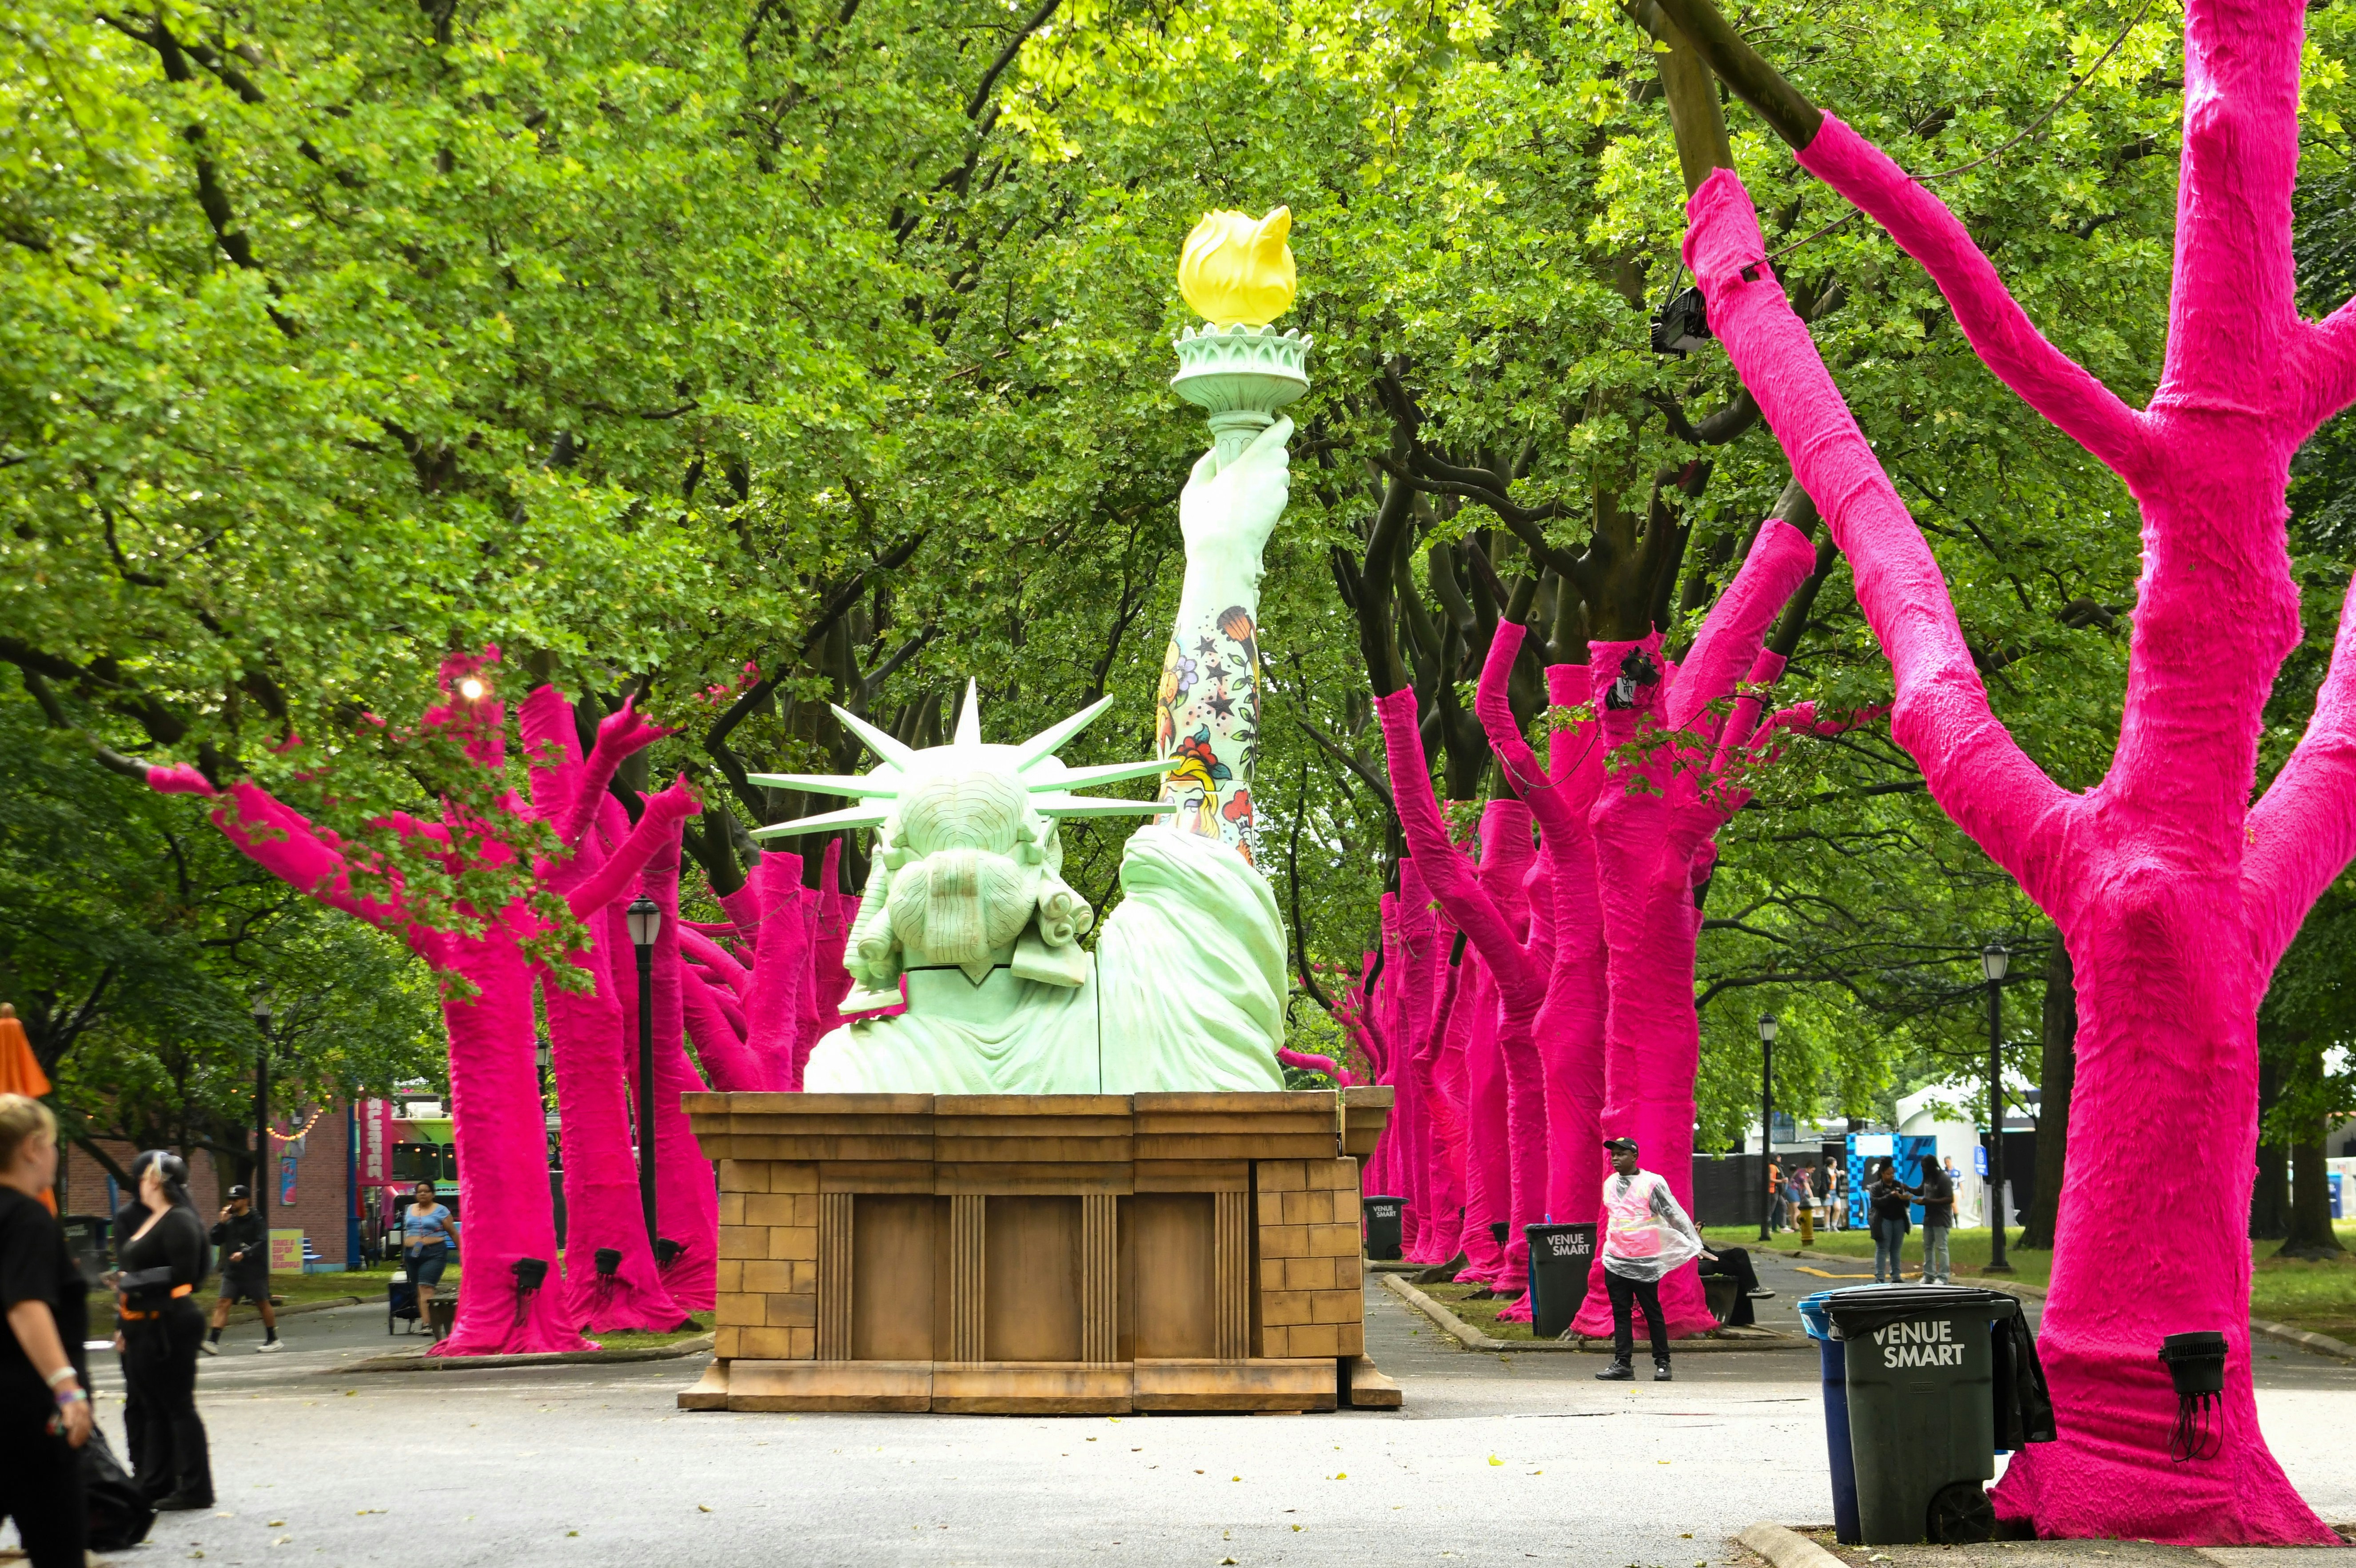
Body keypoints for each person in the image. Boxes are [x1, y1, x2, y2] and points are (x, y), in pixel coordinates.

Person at [0, 1095, 92, 1568]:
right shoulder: (27, 1217)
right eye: (54, 1143)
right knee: (57, 1546)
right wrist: (67, 1388)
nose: (56, 1153)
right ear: (33, 1147)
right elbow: (26, 1303)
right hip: (26, 1415)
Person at [109, 1150, 212, 1509]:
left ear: (155, 1181)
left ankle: (197, 1487)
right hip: (145, 1320)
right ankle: (156, 1482)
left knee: (178, 1405)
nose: (139, 1183)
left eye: (143, 1177)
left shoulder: (180, 1219)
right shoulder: (153, 1218)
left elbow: (187, 1273)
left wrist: (132, 1280)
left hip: (172, 1321)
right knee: (153, 1407)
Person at [1593, 1137, 1708, 1382]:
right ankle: (1623, 1364)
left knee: (1652, 1311)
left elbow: (1673, 1214)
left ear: (1635, 1156)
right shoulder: (1610, 1183)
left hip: (1645, 1260)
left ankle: (1663, 1362)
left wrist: (1694, 1244)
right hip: (1616, 1258)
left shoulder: (1652, 1183)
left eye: (1622, 1154)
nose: (1615, 1158)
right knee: (1620, 1313)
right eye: (1613, 1154)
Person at [205, 1185, 279, 1355]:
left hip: (253, 1270)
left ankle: (273, 1338)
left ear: (246, 1200)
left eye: (236, 1199)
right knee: (223, 1302)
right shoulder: (230, 1221)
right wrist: (220, 1223)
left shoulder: (256, 1220)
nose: (232, 1203)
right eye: (230, 1200)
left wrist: (245, 1254)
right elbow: (214, 1240)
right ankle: (213, 1341)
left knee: (262, 1303)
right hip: (233, 1272)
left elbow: (261, 1243)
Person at [401, 1182, 458, 1338]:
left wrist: (463, 1253)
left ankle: (428, 1324)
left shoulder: (441, 1211)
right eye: (420, 1192)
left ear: (433, 1194)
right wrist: (403, 1255)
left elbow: (453, 1233)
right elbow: (408, 1232)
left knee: (426, 1286)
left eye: (427, 1191)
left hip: (434, 1253)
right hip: (412, 1253)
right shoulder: (410, 1209)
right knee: (418, 1290)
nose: (423, 1194)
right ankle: (428, 1320)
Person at [1867, 1158, 1917, 1285]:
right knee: (1883, 1248)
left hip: (1899, 1219)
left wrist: (1904, 1197)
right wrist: (1890, 1196)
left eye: (1893, 1174)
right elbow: (1876, 1202)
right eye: (1888, 1174)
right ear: (1883, 1174)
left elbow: (1906, 1204)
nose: (1891, 1176)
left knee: (1896, 1249)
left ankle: (1896, 1275)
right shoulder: (1876, 1187)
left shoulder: (1898, 1185)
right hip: (1884, 1220)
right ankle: (1880, 1277)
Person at [1916, 1154, 1956, 1284]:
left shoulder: (1943, 1178)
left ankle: (1943, 1276)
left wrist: (1930, 1201)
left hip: (1941, 1218)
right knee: (1927, 1246)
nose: (1923, 1170)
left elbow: (1949, 1198)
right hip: (1929, 1218)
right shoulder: (1927, 1178)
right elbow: (1920, 1191)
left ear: (1932, 1166)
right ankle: (1929, 1275)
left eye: (1925, 1167)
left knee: (1941, 1247)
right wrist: (1907, 1189)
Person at [1765, 1156, 1785, 1233]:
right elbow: (1771, 1179)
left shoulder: (1776, 1167)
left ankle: (1783, 1226)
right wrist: (1782, 1181)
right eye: (1779, 1157)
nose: (1780, 1158)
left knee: (1783, 1206)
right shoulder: (1773, 1167)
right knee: (1771, 1210)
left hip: (1777, 1191)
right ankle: (1767, 1228)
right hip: (1773, 1190)